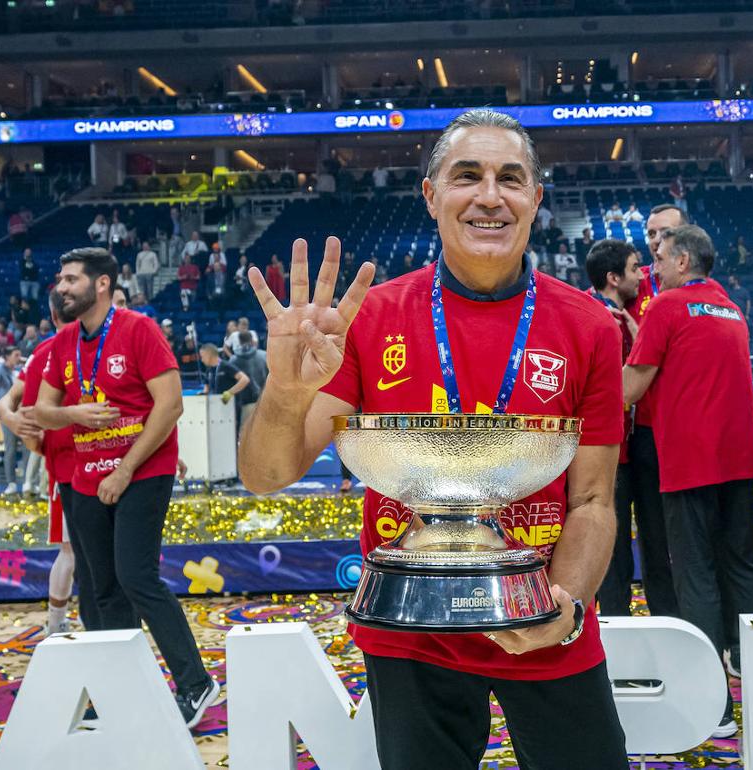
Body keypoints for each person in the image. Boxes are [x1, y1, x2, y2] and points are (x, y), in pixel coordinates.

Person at [238, 109, 629, 769]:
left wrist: (565, 606)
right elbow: (266, 475)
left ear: (536, 199)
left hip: (538, 607)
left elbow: (592, 500)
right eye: (466, 176)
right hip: (411, 625)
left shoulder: (589, 325)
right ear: (431, 195)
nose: (488, 196)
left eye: (510, 179)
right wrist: (283, 389)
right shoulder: (369, 319)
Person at [35, 247, 218, 727]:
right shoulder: (63, 342)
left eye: (71, 278)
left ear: (101, 285)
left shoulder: (139, 329)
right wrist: (72, 415)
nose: (62, 286)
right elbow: (41, 410)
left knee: (136, 576)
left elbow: (171, 404)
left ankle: (197, 684)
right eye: (61, 278)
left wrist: (124, 470)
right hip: (84, 480)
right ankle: (120, 689)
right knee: (100, 590)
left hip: (142, 472)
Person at [623, 224, 753, 736]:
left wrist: (577, 391)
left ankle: (714, 706)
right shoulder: (729, 307)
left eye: (662, 258)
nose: (655, 268)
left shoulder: (665, 307)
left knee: (695, 577)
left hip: (688, 460)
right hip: (739, 458)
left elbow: (634, 383)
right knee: (745, 568)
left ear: (684, 261)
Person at [2, 289, 99, 635]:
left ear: (53, 316)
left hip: (66, 466)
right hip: (105, 462)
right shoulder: (106, 343)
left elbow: (17, 409)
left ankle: (60, 624)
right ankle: (99, 624)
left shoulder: (43, 352)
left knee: (72, 551)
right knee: (93, 553)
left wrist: (41, 448)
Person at [614, 203, 688, 619]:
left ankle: (672, 622)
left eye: (664, 233)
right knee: (627, 535)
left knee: (665, 539)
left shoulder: (694, 289)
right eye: (651, 234)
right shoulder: (633, 284)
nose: (655, 241)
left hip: (675, 431)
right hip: (636, 432)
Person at [584, 239, 648, 618]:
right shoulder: (611, 322)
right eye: (635, 267)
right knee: (612, 545)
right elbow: (624, 390)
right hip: (611, 452)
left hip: (593, 448)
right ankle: (613, 623)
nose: (641, 276)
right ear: (613, 277)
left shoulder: (584, 310)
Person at [0, 346, 27, 493]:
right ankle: (11, 482)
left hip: (22, 412)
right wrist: (0, 362)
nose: (19, 358)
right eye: (16, 355)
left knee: (27, 448)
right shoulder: (1, 371)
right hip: (9, 414)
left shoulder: (21, 370)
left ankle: (27, 481)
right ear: (7, 357)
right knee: (10, 449)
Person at [198, 343, 254, 429]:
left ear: (209, 355)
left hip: (230, 407)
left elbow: (245, 379)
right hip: (217, 408)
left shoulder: (226, 366)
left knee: (231, 434)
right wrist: (201, 395)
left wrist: (230, 392)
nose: (202, 360)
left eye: (202, 356)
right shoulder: (208, 370)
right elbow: (206, 389)